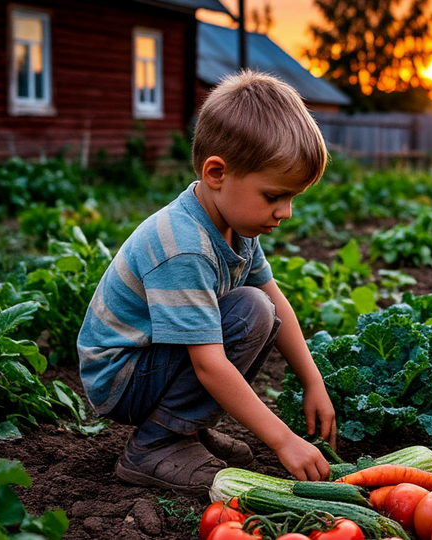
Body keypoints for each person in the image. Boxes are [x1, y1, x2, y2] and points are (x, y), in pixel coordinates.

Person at [77, 70, 337, 495]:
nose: (285, 212)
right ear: (217, 173)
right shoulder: (184, 245)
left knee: (262, 309)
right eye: (274, 196)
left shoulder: (235, 226)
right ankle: (157, 444)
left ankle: (185, 428)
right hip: (121, 376)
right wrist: (283, 440)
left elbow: (277, 301)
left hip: (151, 361)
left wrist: (313, 381)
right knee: (250, 312)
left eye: (293, 197)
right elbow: (209, 365)